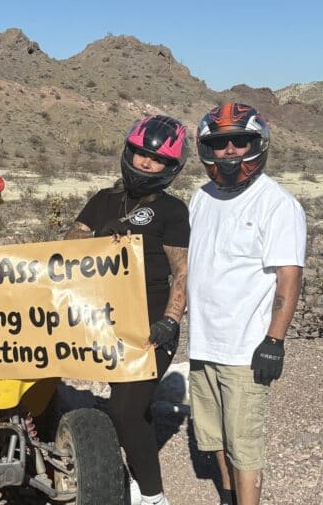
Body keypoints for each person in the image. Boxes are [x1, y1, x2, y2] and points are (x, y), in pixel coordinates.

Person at [65, 115, 190, 505]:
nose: (146, 164)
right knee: (130, 405)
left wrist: (170, 321)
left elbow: (182, 269)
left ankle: (152, 496)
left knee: (124, 408)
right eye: (140, 154)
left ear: (171, 168)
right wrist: (94, 239)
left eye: (157, 160)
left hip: (150, 327)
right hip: (103, 325)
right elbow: (68, 246)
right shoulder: (103, 200)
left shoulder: (172, 211)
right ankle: (133, 472)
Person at [186, 103, 306, 505]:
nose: (230, 151)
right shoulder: (200, 197)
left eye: (240, 141)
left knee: (244, 444)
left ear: (258, 143)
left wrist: (275, 340)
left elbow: (289, 276)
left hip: (244, 347)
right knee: (214, 437)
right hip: (204, 344)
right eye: (220, 144)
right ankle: (228, 497)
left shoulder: (276, 203)